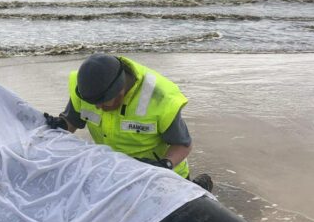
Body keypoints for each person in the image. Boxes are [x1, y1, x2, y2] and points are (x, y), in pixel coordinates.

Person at [44, 53, 212, 191]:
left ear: (121, 90)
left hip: (163, 174)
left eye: (104, 102)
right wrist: (61, 125)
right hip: (116, 173)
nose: (98, 107)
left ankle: (198, 186)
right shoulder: (88, 89)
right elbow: (72, 121)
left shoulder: (161, 99)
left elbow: (183, 145)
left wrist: (163, 165)